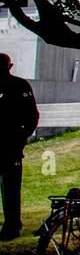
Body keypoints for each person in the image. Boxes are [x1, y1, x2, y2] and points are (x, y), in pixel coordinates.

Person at [0, 53, 39, 241]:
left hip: (11, 145)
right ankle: (11, 225)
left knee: (11, 189)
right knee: (11, 189)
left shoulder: (19, 86)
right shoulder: (19, 85)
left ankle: (12, 225)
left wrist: (22, 137)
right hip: (12, 144)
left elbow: (32, 115)